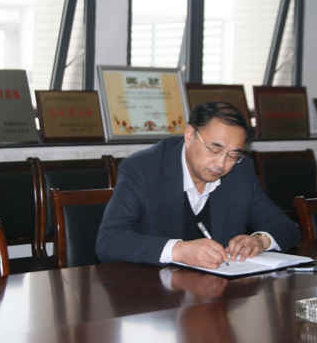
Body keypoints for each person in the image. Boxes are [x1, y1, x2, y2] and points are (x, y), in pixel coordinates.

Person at [96, 101, 301, 269]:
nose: (221, 164)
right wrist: (178, 250)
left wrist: (259, 240)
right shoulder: (143, 169)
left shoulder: (240, 171)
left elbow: (286, 228)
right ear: (189, 135)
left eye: (233, 155)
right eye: (215, 149)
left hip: (218, 294)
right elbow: (108, 242)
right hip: (153, 294)